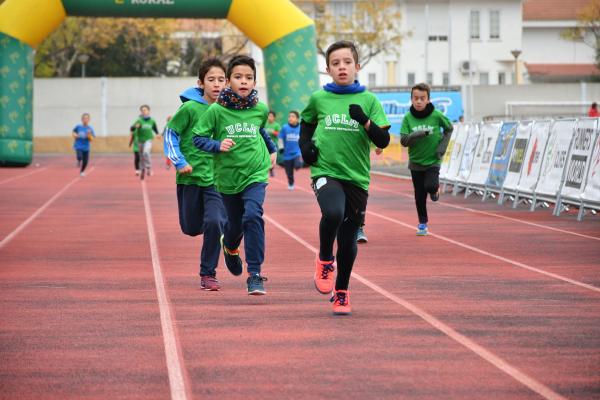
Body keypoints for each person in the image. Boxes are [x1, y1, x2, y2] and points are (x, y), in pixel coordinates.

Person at [299, 40, 390, 315]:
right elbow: (306, 124)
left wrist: (365, 121)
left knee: (349, 239)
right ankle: (325, 257)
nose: (342, 67)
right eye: (335, 63)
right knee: (333, 212)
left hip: (357, 178)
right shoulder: (319, 98)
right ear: (327, 69)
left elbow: (383, 140)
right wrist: (305, 147)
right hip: (326, 171)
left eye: (347, 62)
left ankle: (342, 291)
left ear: (357, 66)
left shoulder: (369, 100)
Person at [193, 55, 277, 296]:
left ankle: (255, 274)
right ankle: (229, 246)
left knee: (252, 216)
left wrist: (272, 149)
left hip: (255, 173)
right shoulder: (217, 111)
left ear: (254, 82)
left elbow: (260, 130)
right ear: (229, 81)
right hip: (227, 178)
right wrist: (217, 145)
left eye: (249, 78)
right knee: (233, 225)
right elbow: (198, 138)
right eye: (238, 77)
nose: (244, 81)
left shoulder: (260, 109)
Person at [163, 58, 227, 291]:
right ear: (201, 83)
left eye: (221, 80)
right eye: (211, 80)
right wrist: (179, 162)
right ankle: (215, 229)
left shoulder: (228, 111)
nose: (217, 84)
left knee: (215, 221)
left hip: (217, 179)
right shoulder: (190, 108)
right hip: (189, 177)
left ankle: (208, 273)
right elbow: (170, 135)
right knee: (191, 228)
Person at [400, 82, 453, 236]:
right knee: (419, 195)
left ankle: (435, 190)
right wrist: (418, 134)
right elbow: (404, 141)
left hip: (433, 160)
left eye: (422, 98)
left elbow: (449, 128)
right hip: (416, 162)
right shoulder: (408, 118)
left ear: (428, 99)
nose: (418, 101)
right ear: (411, 99)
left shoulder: (436, 115)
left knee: (429, 186)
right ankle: (422, 223)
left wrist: (442, 146)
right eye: (415, 98)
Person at [129, 104, 159, 180]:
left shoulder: (152, 120)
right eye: (142, 110)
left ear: (148, 111)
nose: (144, 111)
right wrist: (135, 127)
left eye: (145, 110)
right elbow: (131, 129)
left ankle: (148, 167)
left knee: (146, 152)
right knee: (141, 156)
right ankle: (142, 169)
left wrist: (158, 134)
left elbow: (154, 128)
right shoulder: (139, 120)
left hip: (148, 139)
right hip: (140, 140)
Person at [277, 110, 302, 190]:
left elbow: (304, 138)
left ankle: (299, 164)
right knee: (289, 172)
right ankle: (291, 183)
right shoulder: (285, 128)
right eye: (289, 116)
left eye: (293, 116)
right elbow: (280, 138)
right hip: (287, 154)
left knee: (298, 164)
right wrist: (281, 147)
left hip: (297, 152)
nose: (290, 118)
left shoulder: (300, 128)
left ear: (297, 119)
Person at [72, 113, 95, 177]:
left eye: (87, 118)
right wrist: (75, 135)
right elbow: (74, 131)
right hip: (78, 145)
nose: (85, 119)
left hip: (86, 147)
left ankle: (82, 171)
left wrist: (89, 135)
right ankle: (79, 161)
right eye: (84, 118)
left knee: (85, 162)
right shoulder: (78, 127)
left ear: (89, 120)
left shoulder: (90, 129)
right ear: (82, 119)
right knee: (80, 156)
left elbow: (92, 139)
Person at [264, 110, 281, 176]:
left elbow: (279, 134)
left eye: (271, 116)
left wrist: (273, 132)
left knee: (272, 158)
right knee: (266, 157)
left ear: (274, 117)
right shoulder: (265, 124)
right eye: (269, 116)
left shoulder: (276, 125)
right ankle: (266, 170)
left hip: (273, 144)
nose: (270, 117)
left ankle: (271, 170)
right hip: (266, 144)